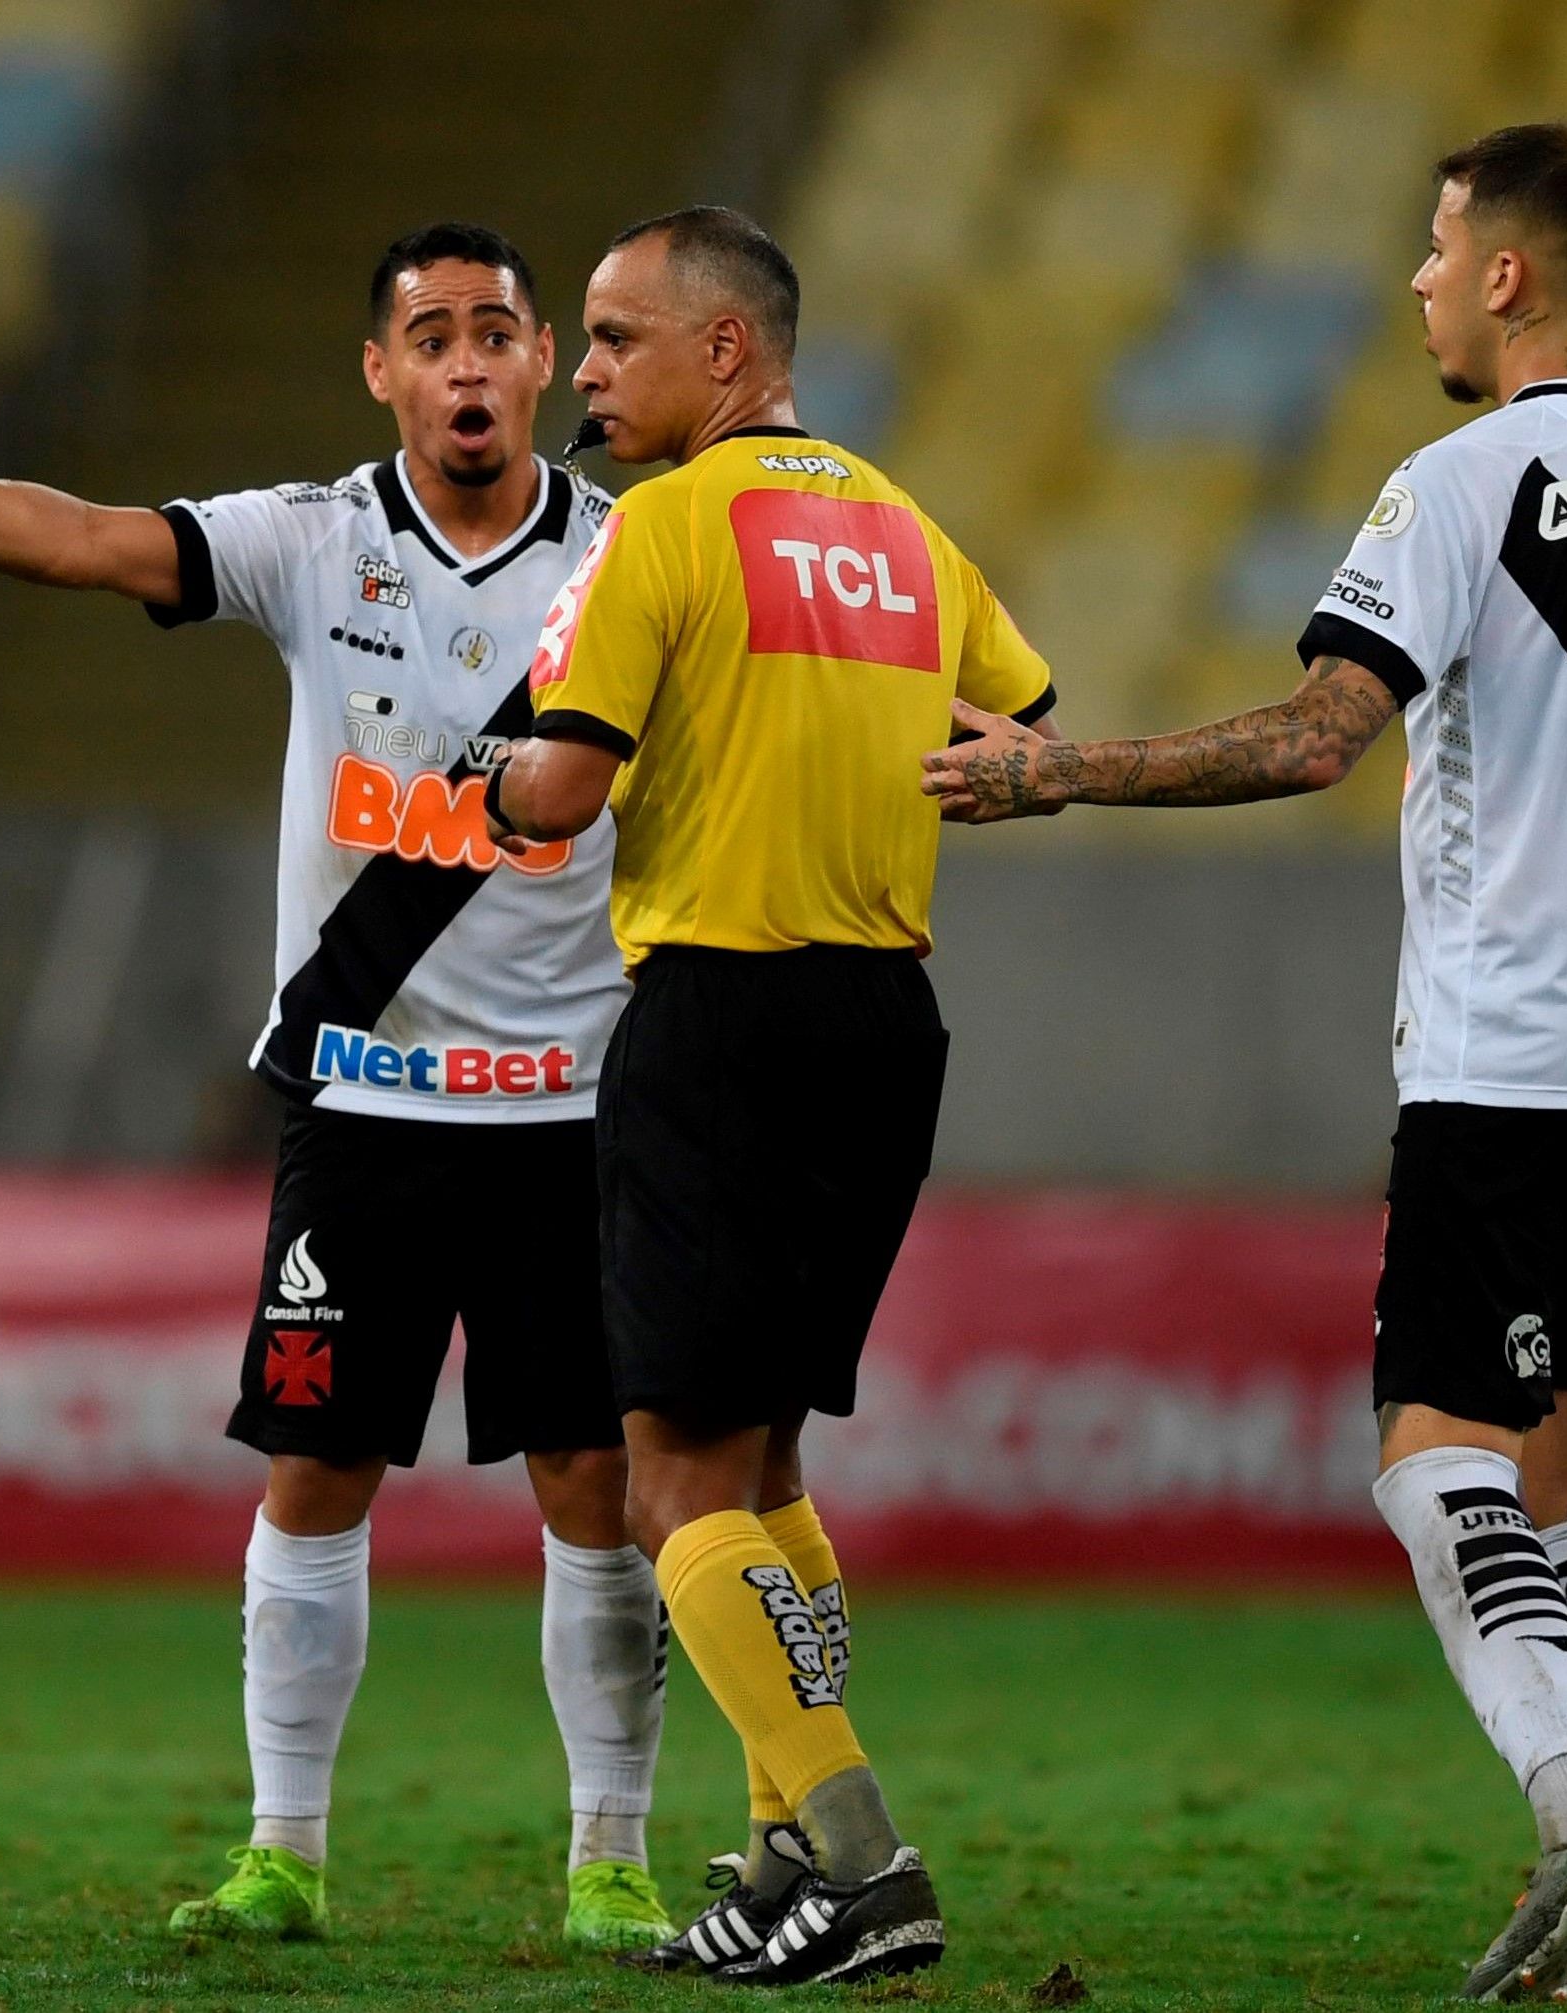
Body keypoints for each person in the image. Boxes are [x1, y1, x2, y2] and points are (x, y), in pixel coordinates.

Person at [0, 223, 675, 1955]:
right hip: (365, 1105)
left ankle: (611, 1856)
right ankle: (283, 1850)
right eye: (427, 337)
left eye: (494, 336)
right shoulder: (310, 541)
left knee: (596, 1493)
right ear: (379, 373)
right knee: (315, 1472)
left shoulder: (636, 557)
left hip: (572, 1107)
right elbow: (87, 540)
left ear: (544, 367)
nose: (464, 366)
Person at [933, 124, 1567, 1998]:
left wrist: (1064, 767)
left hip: (1518, 1047)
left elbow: (1317, 738)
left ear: (1514, 277)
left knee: (1430, 1456)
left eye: (1442, 244)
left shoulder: (1464, 480)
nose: (1420, 277)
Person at [493, 203, 1062, 1988]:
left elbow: (561, 798)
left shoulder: (664, 525)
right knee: (767, 1461)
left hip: (724, 1015)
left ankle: (860, 1854)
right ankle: (773, 1869)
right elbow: (1026, 729)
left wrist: (500, 766)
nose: (580, 373)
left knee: (672, 1484)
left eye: (610, 336)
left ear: (725, 351)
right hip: (887, 1020)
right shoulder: (903, 524)